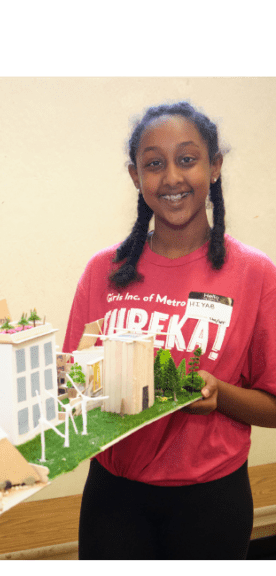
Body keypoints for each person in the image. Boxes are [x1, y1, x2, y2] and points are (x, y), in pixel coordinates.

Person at [63, 102, 276, 560]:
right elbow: (71, 384)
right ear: (135, 177)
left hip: (212, 501)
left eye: (187, 159)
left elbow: (274, 407)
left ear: (214, 167)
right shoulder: (104, 270)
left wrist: (221, 394)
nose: (172, 178)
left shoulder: (255, 274)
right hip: (114, 500)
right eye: (154, 164)